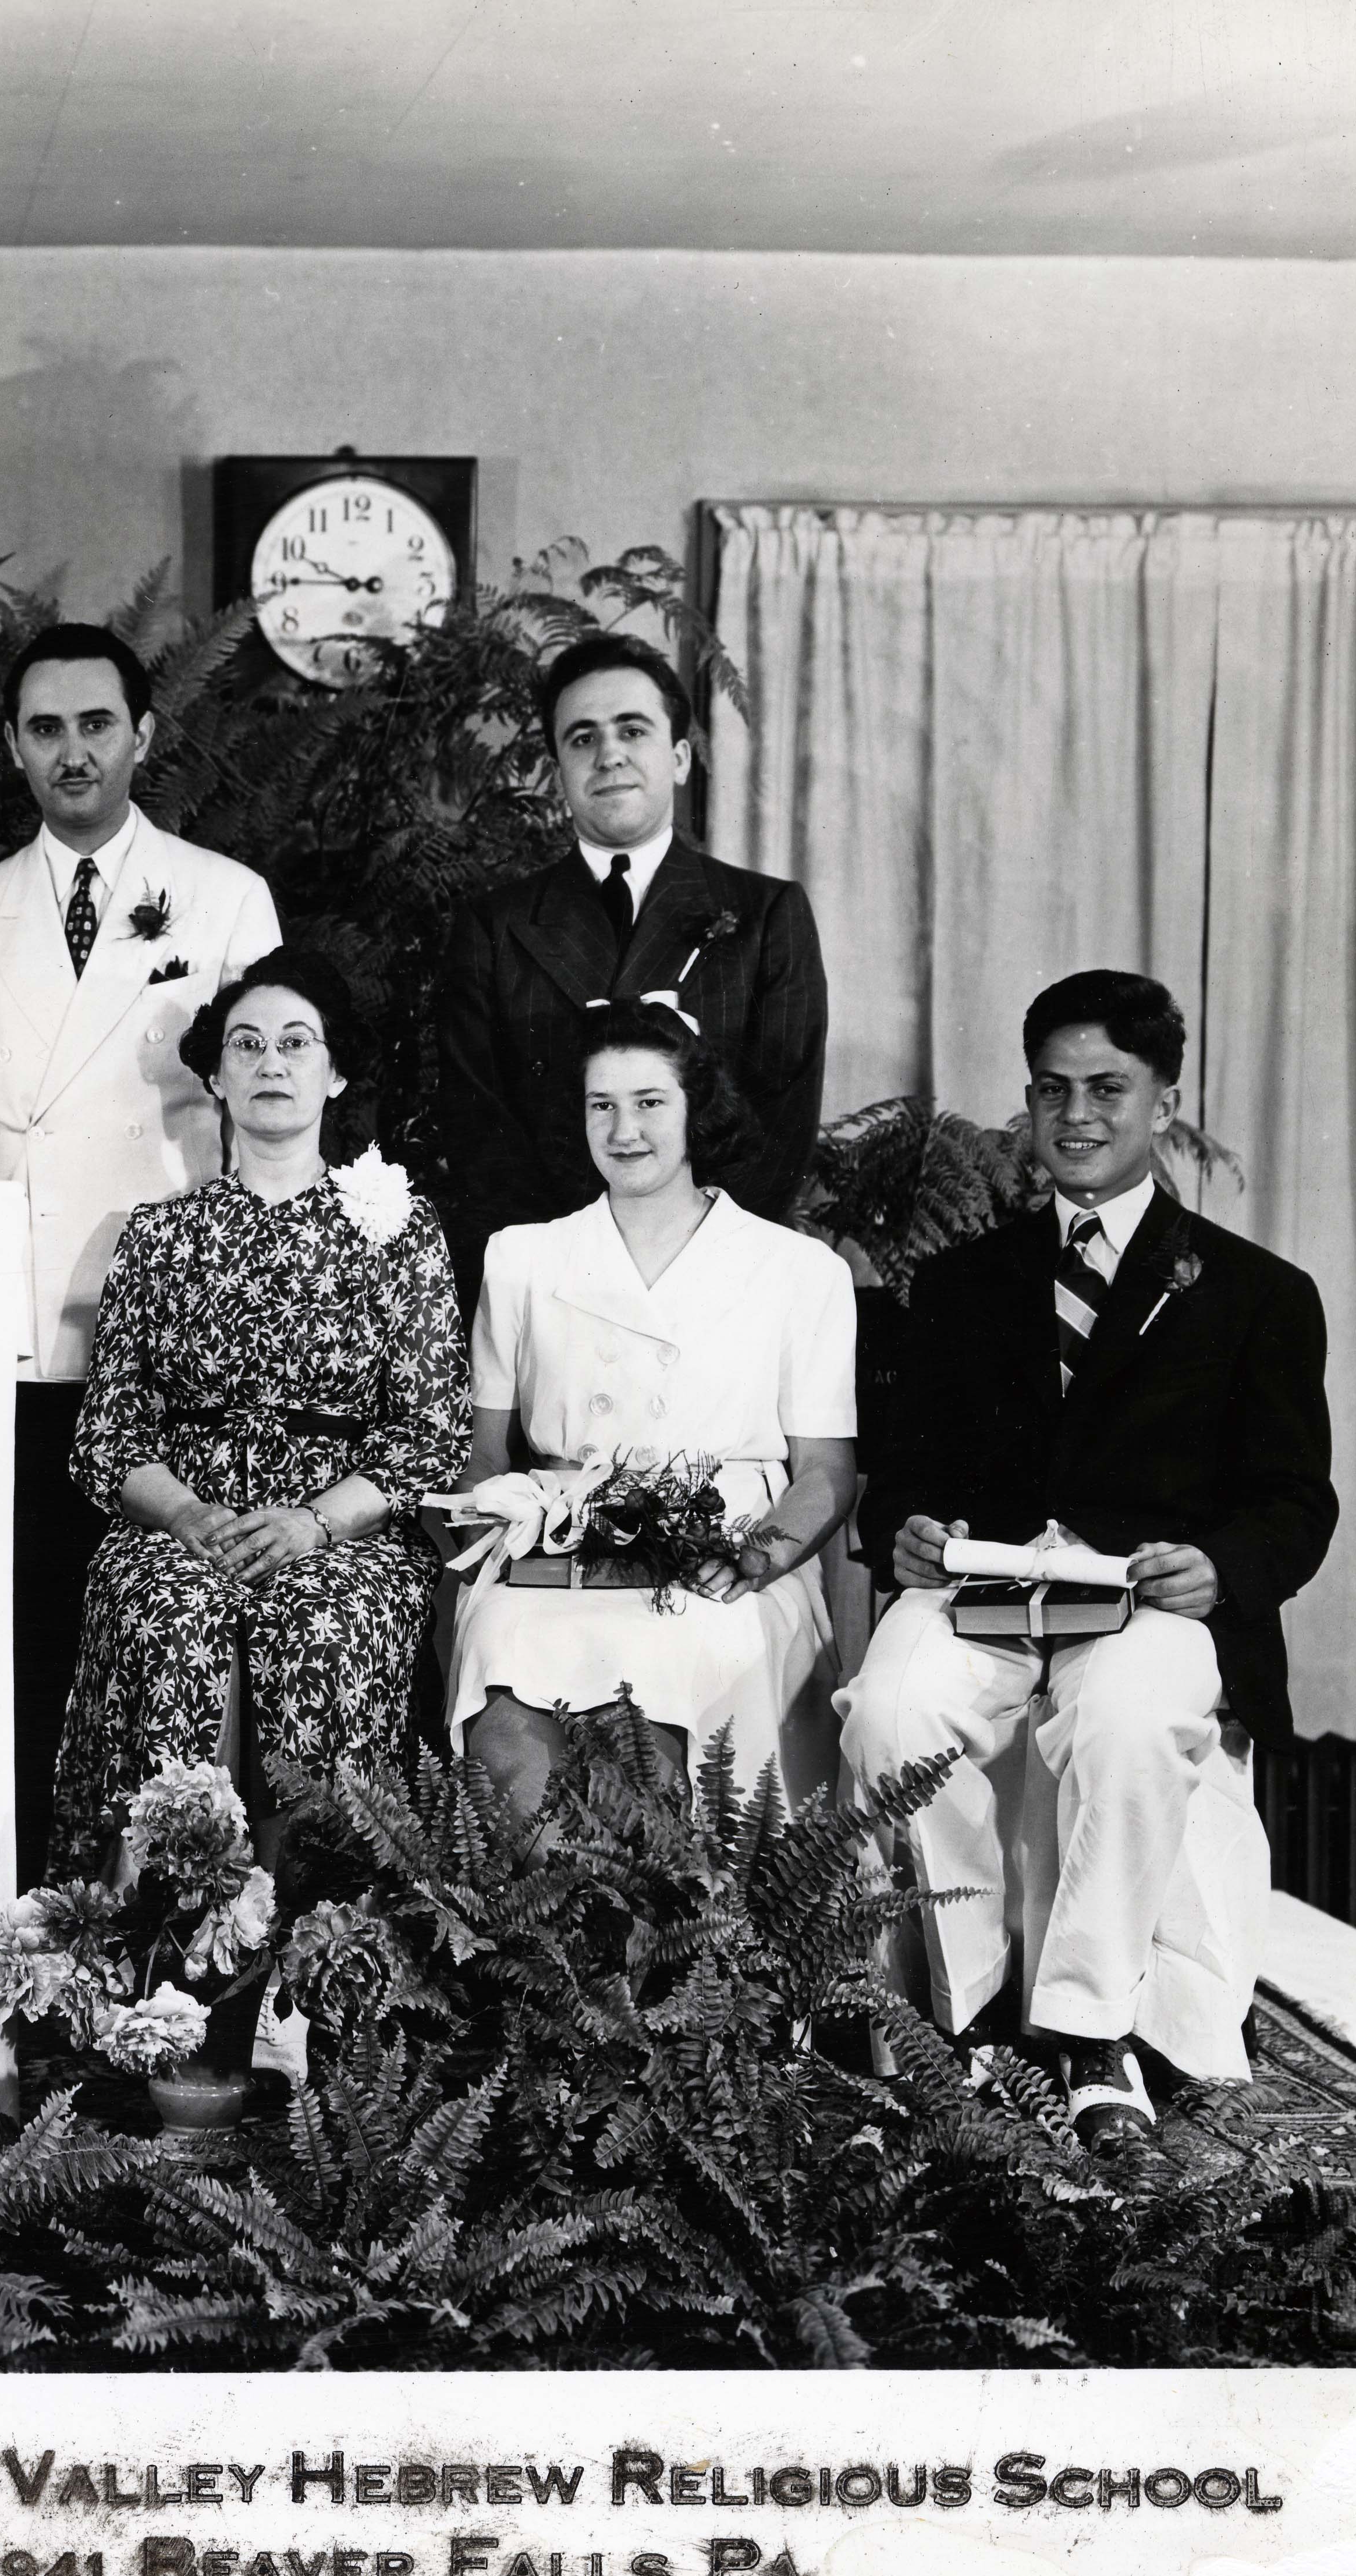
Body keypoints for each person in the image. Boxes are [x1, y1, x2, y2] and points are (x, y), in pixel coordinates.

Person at [839, 970, 1334, 2149]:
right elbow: (900, 1478)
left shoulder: (1256, 1294)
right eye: (1052, 1089)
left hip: (1148, 1599)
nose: (1077, 1115)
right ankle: (957, 2016)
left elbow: (1293, 1503)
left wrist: (1217, 1566)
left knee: (1124, 1716)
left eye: (1108, 1088)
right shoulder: (959, 1284)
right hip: (987, 1588)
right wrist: (906, 1528)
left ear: (1165, 1102)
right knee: (892, 1712)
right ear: (1026, 1100)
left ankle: (1090, 2029)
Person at [0, 622, 282, 1880]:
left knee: (158, 1636)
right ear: (13, 748)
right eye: (44, 729)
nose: (71, 752)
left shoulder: (225, 898)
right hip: (13, 1329)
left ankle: (163, 1904)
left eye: (94, 724)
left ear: (142, 734)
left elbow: (261, 1121)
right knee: (25, 1627)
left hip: (168, 1323)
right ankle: (31, 1903)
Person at [52, 949, 468, 1874]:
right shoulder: (158, 1237)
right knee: (170, 1614)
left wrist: (314, 1524)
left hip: (343, 1529)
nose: (270, 1063)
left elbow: (431, 1432)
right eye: (246, 1045)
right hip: (181, 1521)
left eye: (295, 1043)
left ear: (337, 1073)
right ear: (214, 1075)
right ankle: (163, 1921)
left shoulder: (399, 1230)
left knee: (323, 1622)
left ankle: (323, 1929)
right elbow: (107, 1437)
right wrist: (186, 1515)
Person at [449, 999, 860, 1816]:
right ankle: (531, 1897)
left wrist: (756, 1558)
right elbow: (483, 1453)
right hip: (555, 1554)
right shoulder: (522, 1257)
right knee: (504, 1687)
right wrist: (492, 1542)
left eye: (649, 1103)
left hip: (727, 1558)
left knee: (667, 1704)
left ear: (695, 1109)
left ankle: (677, 1899)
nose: (624, 1130)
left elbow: (825, 1471)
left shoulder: (796, 1268)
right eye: (600, 1105)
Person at [436, 630, 827, 1300]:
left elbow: (781, 1126)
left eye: (632, 730)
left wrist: (683, 1266)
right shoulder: (492, 928)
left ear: (678, 757)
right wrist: (569, 1268)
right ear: (558, 771)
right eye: (581, 738)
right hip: (551, 1284)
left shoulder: (764, 915)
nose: (608, 754)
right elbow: (479, 1132)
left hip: (717, 1284)